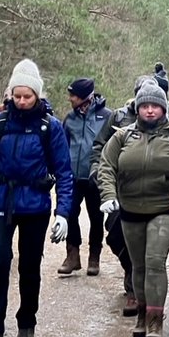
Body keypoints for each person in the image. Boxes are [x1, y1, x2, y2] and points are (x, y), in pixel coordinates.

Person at [0, 59, 73, 337]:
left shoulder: (50, 127)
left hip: (35, 204)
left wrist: (63, 213)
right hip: (1, 201)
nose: (21, 100)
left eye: (27, 95)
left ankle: (26, 323)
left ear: (37, 95)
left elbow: (64, 171)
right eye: (17, 95)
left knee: (29, 267)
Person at [96, 82, 169, 337]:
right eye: (144, 106)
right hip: (130, 210)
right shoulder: (121, 136)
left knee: (155, 262)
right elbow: (106, 167)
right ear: (137, 108)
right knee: (139, 266)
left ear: (164, 109)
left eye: (155, 106)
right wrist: (109, 196)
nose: (149, 111)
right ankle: (143, 314)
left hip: (163, 210)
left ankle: (156, 319)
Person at [59, 77, 113, 276]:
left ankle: (94, 257)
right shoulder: (69, 119)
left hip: (95, 177)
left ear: (84, 97)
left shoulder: (107, 116)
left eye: (72, 95)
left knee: (96, 217)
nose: (70, 99)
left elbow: (111, 146)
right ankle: (72, 256)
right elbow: (62, 146)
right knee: (69, 213)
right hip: (72, 177)